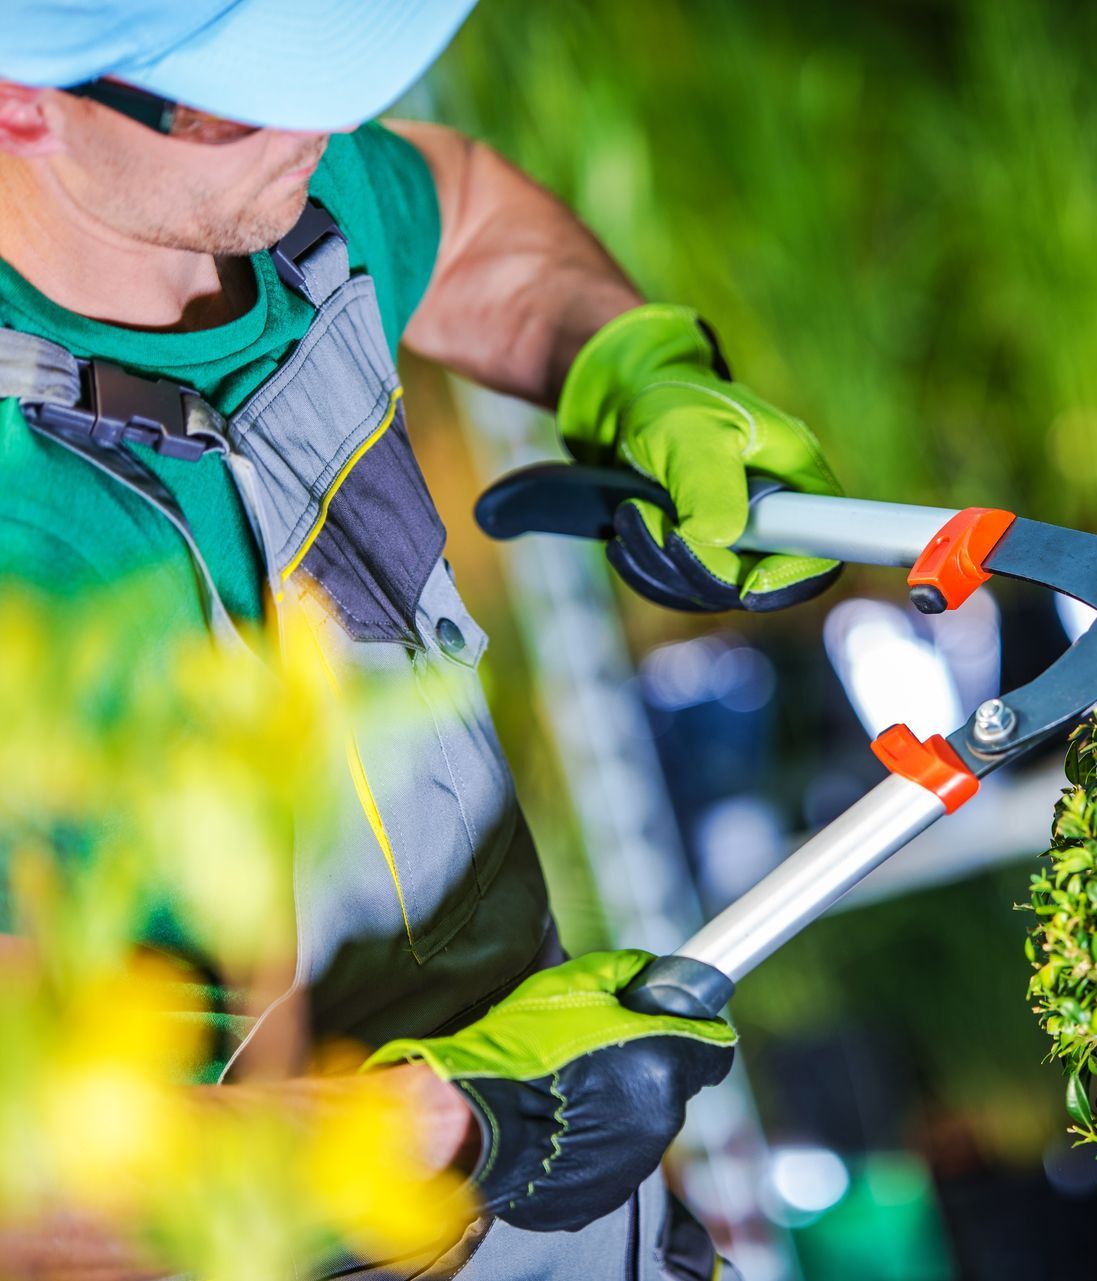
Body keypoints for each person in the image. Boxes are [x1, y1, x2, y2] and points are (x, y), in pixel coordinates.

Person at [0, 1, 844, 1276]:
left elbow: (459, 210)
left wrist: (632, 368)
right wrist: (445, 1132)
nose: (324, 122)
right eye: (246, 94)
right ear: (24, 102)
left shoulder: (271, 203)